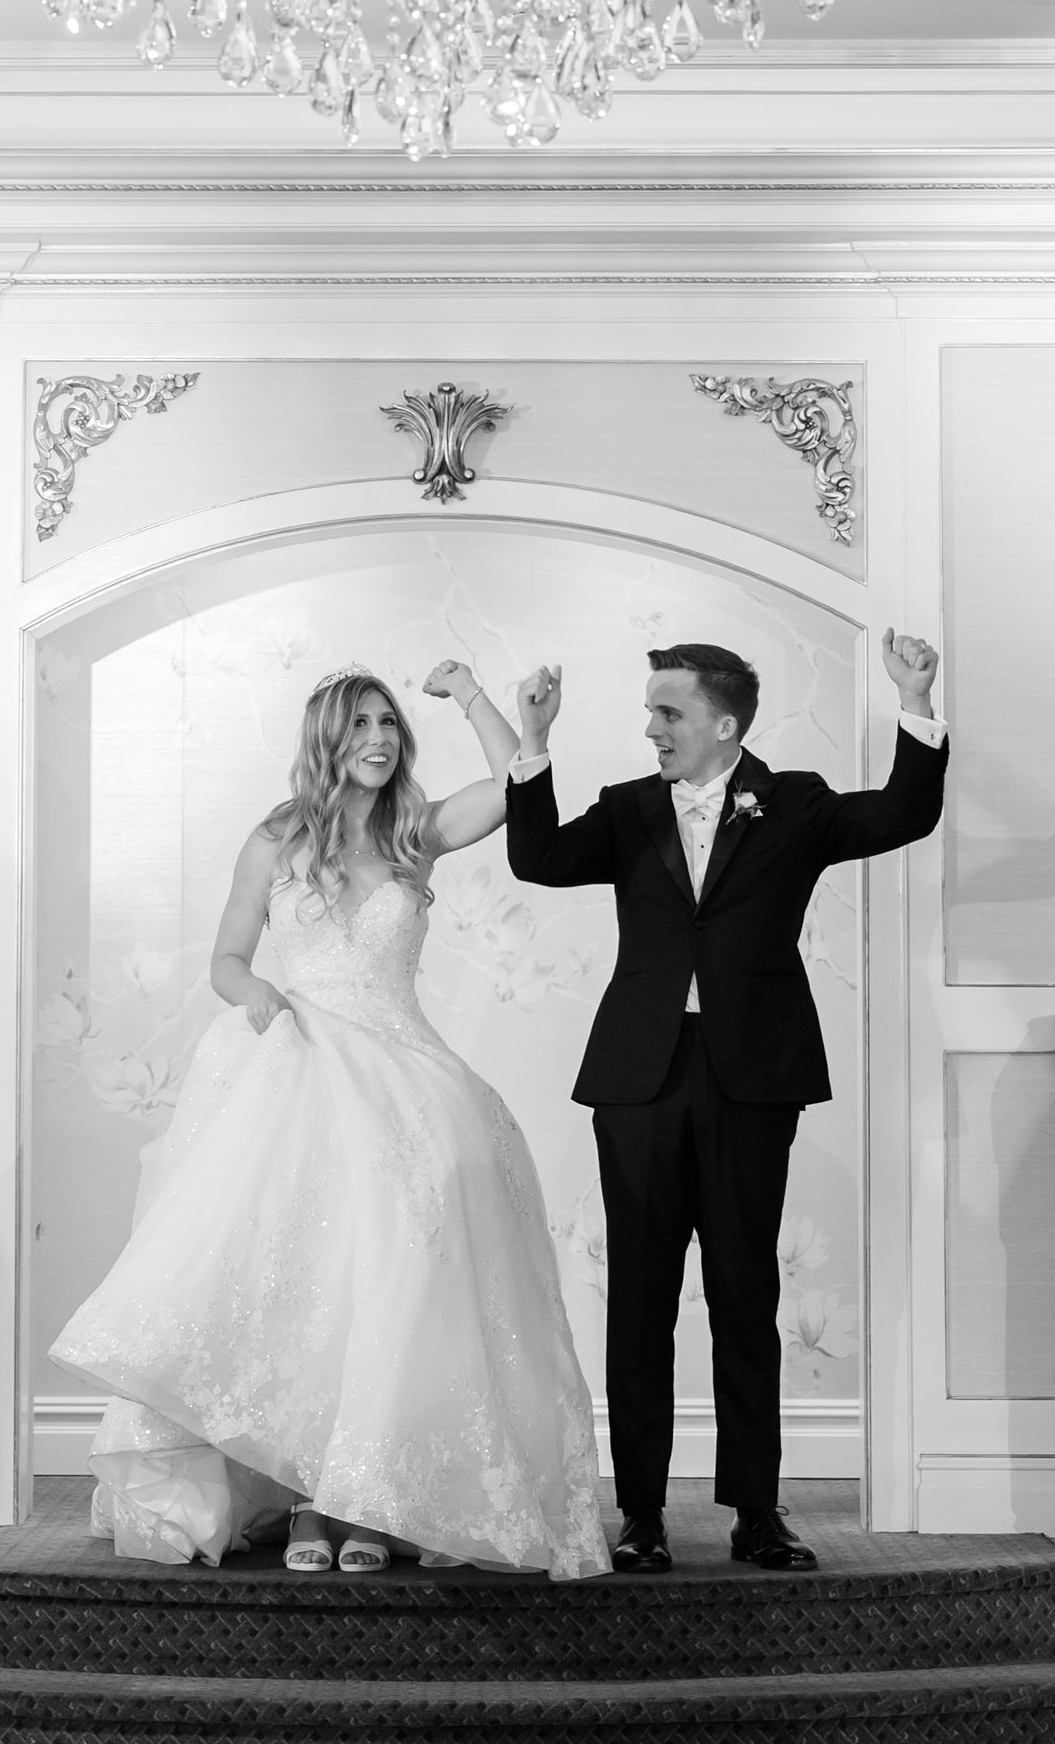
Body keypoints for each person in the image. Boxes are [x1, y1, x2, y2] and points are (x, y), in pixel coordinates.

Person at [51, 663, 609, 1582]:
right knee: (309, 1276)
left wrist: (487, 702)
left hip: (406, 1071)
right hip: (303, 1059)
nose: (380, 740)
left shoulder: (413, 834)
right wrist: (259, 995)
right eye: (359, 728)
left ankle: (368, 1498)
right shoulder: (275, 839)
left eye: (388, 724)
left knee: (398, 1272)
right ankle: (311, 1493)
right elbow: (228, 958)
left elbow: (516, 789)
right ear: (327, 741)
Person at [505, 632, 947, 1574]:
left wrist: (914, 699)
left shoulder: (795, 804)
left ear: (725, 723)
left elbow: (906, 810)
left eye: (668, 711)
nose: (652, 728)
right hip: (640, 1082)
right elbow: (537, 857)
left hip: (754, 1077)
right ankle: (641, 1517)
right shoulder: (628, 810)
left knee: (746, 1294)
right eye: (651, 711)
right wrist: (533, 742)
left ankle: (757, 1513)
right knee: (640, 1302)